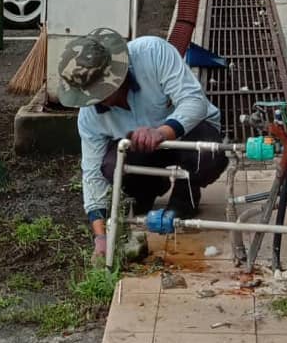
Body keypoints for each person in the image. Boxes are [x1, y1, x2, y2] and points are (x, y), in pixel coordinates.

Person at [57, 28, 228, 262]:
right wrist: (101, 237)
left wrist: (162, 131)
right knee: (110, 166)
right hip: (142, 150)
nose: (102, 101)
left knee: (208, 156)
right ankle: (146, 190)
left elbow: (193, 102)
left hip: (188, 131)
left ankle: (185, 195)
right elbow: (92, 174)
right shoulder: (89, 117)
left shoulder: (152, 52)